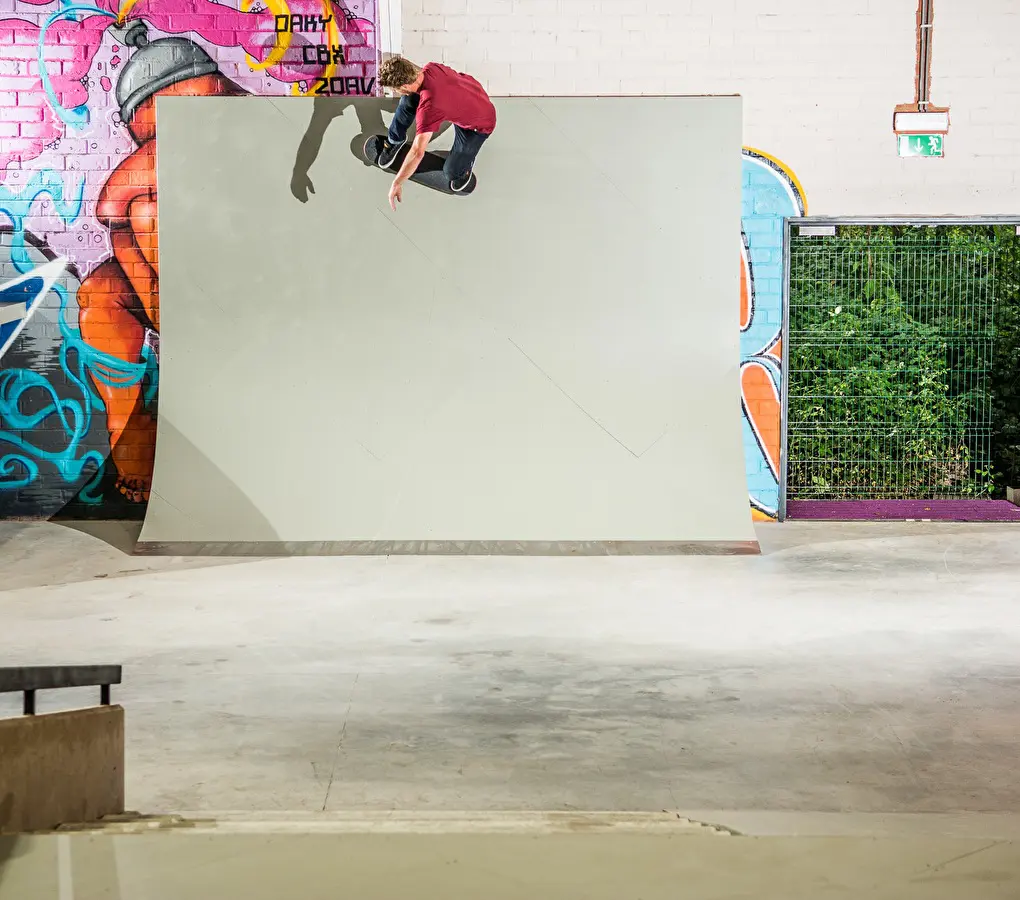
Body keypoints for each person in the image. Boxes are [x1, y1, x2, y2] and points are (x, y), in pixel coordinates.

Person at [376, 57, 496, 209]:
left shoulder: (430, 107)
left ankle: (464, 167)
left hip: (478, 126)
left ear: (405, 84)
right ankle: (395, 140)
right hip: (470, 96)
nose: (397, 92)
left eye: (396, 89)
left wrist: (397, 182)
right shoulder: (431, 67)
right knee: (408, 100)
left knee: (452, 173)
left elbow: (417, 152)